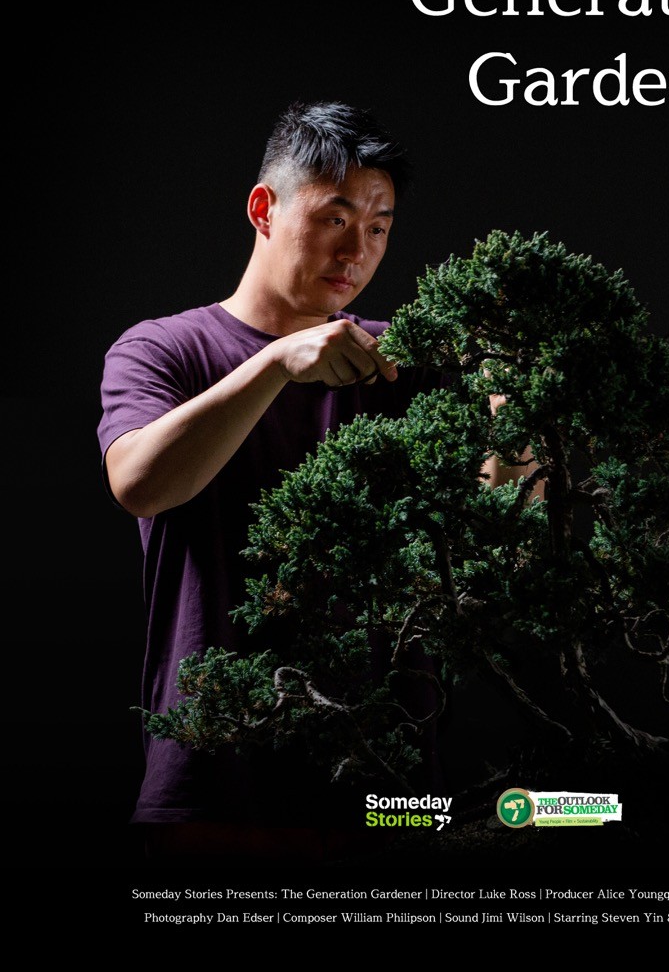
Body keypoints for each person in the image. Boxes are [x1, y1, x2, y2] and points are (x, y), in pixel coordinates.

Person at [98, 101, 438, 856]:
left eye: (379, 227)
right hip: (214, 768)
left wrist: (510, 405)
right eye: (337, 217)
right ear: (265, 209)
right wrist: (278, 363)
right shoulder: (163, 350)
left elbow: (502, 532)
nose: (359, 249)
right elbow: (139, 483)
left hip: (390, 775)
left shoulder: (400, 359)